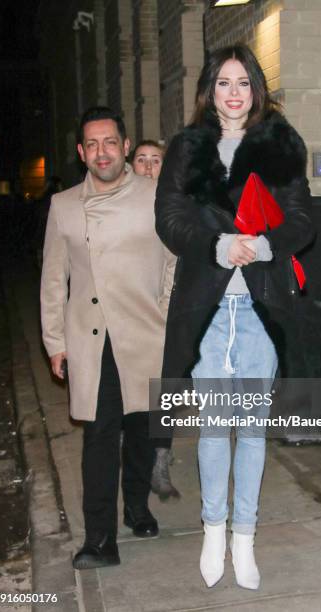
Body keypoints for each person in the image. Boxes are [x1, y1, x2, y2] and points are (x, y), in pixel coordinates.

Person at [155, 44, 314, 590]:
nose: (234, 93)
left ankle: (245, 537)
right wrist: (217, 245)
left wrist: (265, 246)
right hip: (207, 308)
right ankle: (213, 532)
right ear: (209, 91)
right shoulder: (187, 147)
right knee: (212, 428)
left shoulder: (279, 145)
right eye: (224, 83)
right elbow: (169, 219)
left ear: (256, 89)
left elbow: (302, 221)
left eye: (243, 82)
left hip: (259, 308)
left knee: (250, 430)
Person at [40, 106, 175, 569]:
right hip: (92, 339)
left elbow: (175, 260)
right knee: (99, 437)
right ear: (82, 152)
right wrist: (55, 341)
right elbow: (53, 280)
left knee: (142, 431)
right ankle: (99, 539)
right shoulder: (63, 205)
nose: (102, 152)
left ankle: (136, 506)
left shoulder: (157, 196)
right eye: (92, 144)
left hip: (145, 334)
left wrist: (166, 311)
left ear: (124, 145)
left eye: (110, 142)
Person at [128, 139, 180, 501]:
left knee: (165, 390)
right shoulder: (122, 208)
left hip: (165, 314)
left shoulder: (173, 207)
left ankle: (159, 460)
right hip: (127, 315)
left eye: (155, 160)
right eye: (141, 160)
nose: (148, 167)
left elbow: (177, 262)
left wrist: (163, 309)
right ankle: (133, 456)